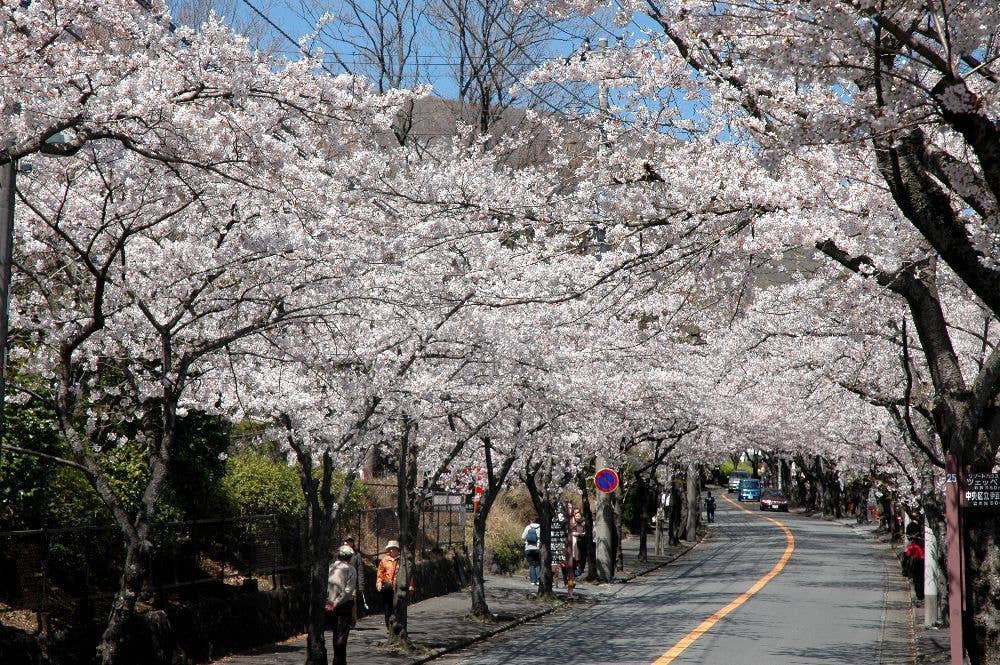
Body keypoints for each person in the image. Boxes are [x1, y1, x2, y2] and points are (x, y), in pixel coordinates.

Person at [326, 544, 357, 665]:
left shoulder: (330, 567)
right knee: (342, 636)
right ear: (349, 557)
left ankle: (337, 660)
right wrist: (336, 602)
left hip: (328, 605)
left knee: (335, 634)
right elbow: (348, 591)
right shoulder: (350, 569)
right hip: (343, 606)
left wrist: (329, 602)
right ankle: (339, 662)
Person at [376, 540, 414, 633]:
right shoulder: (384, 560)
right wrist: (379, 582)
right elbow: (380, 573)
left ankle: (399, 625)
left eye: (392, 549)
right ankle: (389, 626)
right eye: (389, 549)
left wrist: (411, 585)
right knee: (387, 607)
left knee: (398, 606)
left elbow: (408, 574)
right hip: (388, 587)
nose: (390, 551)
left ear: (397, 549)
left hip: (399, 587)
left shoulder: (402, 559)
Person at [342, 536, 366, 617]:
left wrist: (361, 585)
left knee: (352, 602)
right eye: (346, 541)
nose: (348, 543)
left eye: (350, 541)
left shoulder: (357, 555)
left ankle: (352, 618)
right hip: (340, 582)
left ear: (353, 543)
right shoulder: (338, 554)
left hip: (352, 583)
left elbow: (360, 570)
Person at [903, 534, 925, 601]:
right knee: (922, 580)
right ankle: (922, 594)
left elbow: (907, 555)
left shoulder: (913, 547)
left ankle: (919, 596)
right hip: (924, 564)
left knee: (917, 581)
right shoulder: (925, 547)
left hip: (916, 564)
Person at [522, 517, 541, 585]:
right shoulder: (540, 527)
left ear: (531, 520)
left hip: (528, 548)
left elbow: (523, 537)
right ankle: (538, 580)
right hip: (537, 548)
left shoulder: (527, 527)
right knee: (538, 564)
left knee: (531, 565)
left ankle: (533, 581)